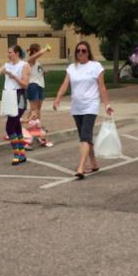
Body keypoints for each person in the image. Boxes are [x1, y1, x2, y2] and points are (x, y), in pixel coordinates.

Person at [52, 41, 113, 178]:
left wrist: (107, 105)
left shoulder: (96, 66)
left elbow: (102, 87)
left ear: (88, 52)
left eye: (83, 50)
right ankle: (94, 163)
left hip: (90, 106)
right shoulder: (72, 68)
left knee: (85, 136)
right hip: (76, 107)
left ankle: (81, 167)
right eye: (78, 51)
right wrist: (57, 99)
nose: (80, 53)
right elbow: (65, 84)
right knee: (85, 137)